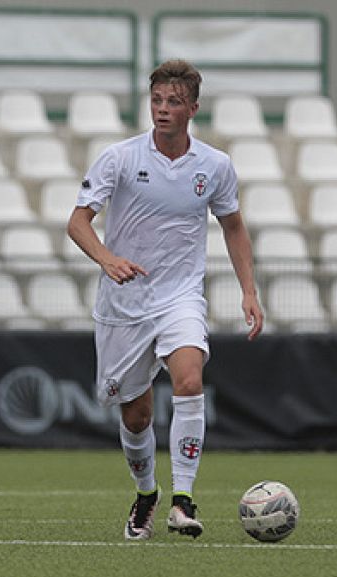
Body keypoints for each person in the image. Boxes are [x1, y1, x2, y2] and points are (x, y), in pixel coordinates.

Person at [68, 59, 264, 540]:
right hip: (124, 304)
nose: (162, 110)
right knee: (135, 417)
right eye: (157, 101)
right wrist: (107, 258)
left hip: (180, 297)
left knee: (190, 378)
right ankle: (146, 493)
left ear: (192, 109)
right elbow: (77, 222)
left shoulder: (214, 166)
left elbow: (234, 227)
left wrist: (248, 291)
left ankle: (183, 499)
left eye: (173, 102)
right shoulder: (120, 158)